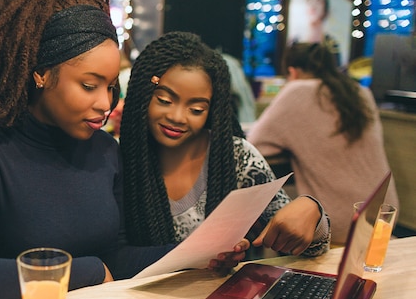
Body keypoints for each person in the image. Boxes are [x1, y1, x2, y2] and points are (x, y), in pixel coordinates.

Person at [0, 0, 175, 299]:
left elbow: (117, 255)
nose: (105, 104)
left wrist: (196, 254)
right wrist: (89, 271)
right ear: (41, 75)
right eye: (89, 85)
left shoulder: (106, 151)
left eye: (110, 87)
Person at [120, 32, 330, 264]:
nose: (178, 117)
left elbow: (311, 247)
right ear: (144, 94)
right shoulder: (118, 161)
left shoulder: (238, 158)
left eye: (196, 109)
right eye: (165, 101)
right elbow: (113, 255)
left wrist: (312, 211)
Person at [247, 42, 399, 245]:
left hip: (340, 221)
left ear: (292, 71)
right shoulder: (360, 91)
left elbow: (253, 146)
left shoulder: (297, 91)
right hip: (384, 213)